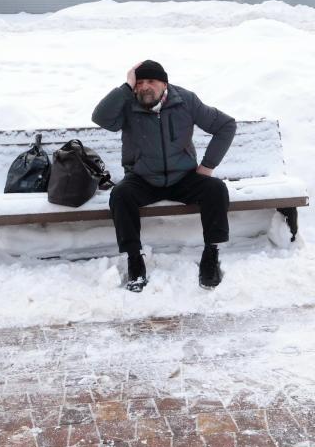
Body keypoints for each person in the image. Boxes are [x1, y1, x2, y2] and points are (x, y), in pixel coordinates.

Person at [92, 60, 236, 291]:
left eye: (151, 81)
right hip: (143, 179)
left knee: (215, 189)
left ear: (164, 84)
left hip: (183, 178)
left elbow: (226, 126)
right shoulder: (128, 103)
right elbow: (101, 118)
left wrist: (208, 166)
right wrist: (126, 87)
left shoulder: (186, 101)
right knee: (120, 195)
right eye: (139, 82)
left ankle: (211, 254)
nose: (144, 87)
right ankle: (135, 260)